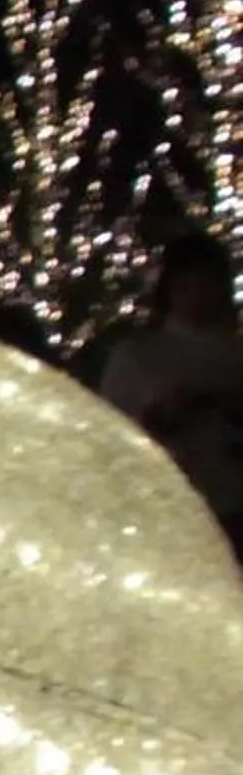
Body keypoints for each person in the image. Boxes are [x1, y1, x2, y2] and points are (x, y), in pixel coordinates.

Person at [98, 234, 243, 553]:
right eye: (190, 286)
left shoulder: (234, 355)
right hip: (168, 509)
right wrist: (158, 419)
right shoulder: (138, 356)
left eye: (209, 284)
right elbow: (108, 438)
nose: (201, 296)